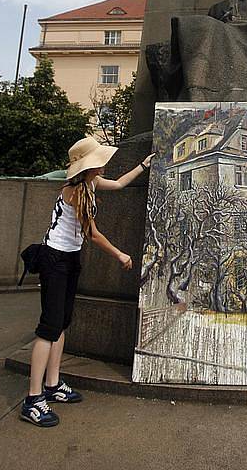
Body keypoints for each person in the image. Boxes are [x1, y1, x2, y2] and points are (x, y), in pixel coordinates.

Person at [20, 136, 154, 427]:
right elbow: (92, 234)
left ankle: (53, 384)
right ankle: (33, 397)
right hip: (54, 260)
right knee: (48, 328)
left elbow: (119, 184)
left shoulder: (90, 184)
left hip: (69, 259)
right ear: (88, 167)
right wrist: (120, 255)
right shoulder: (74, 192)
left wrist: (145, 164)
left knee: (63, 323)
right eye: (99, 161)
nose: (103, 165)